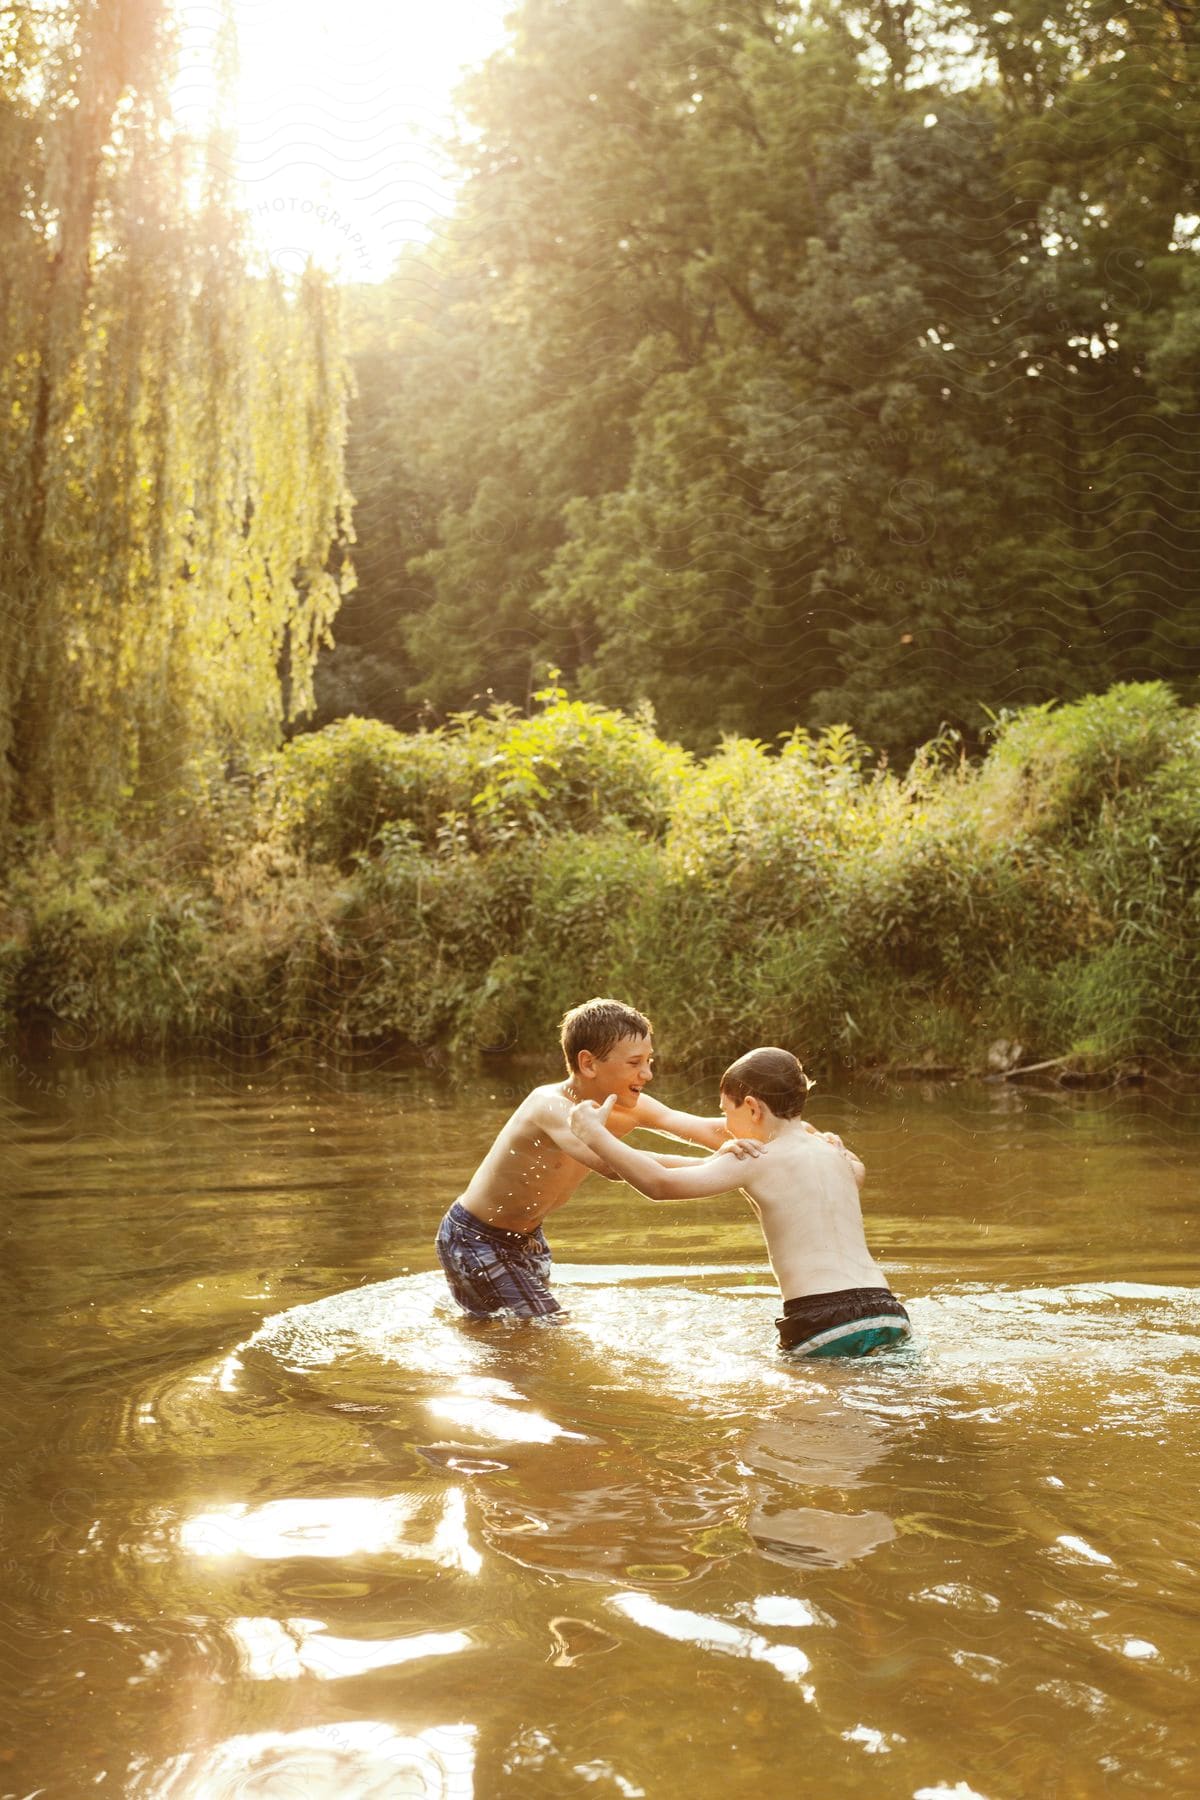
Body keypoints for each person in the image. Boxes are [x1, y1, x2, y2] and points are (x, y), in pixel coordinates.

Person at [569, 1045, 911, 1357]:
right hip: (886, 1311)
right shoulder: (834, 1154)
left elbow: (659, 1184)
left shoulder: (755, 1158)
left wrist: (594, 1134)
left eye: (726, 1113)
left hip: (820, 1320)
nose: (727, 1128)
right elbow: (858, 1172)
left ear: (751, 1107)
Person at [435, 997, 760, 1321]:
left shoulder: (627, 1105)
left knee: (510, 1328)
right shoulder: (550, 1106)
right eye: (634, 1063)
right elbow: (613, 1164)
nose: (647, 1074)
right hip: (476, 1237)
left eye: (649, 1061)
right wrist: (713, 1165)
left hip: (528, 1239)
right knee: (545, 1329)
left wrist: (783, 1132)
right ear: (589, 1063)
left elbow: (705, 1129)